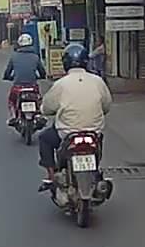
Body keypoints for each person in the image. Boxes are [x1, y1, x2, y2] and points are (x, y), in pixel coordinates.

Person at [37, 43, 113, 188]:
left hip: (67, 133)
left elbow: (46, 108)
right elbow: (107, 106)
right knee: (99, 139)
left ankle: (52, 177)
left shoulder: (60, 84)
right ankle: (95, 171)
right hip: (93, 132)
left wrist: (47, 110)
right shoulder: (98, 81)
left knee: (44, 139)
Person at [2, 33, 47, 125]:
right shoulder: (35, 57)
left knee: (11, 101)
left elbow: (8, 72)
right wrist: (41, 76)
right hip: (32, 86)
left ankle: (13, 116)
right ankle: (39, 114)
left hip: (18, 86)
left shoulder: (14, 56)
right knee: (38, 99)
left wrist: (7, 77)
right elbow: (42, 71)